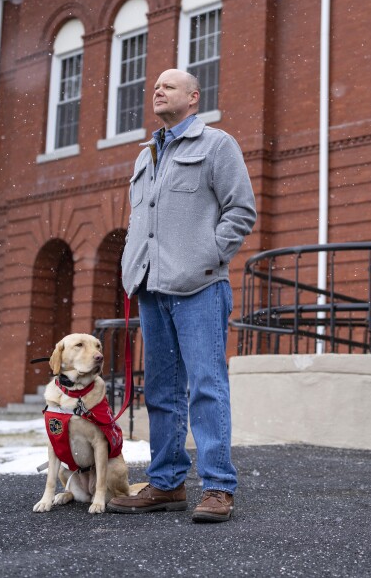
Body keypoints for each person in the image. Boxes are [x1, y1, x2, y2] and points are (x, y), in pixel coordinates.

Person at [108, 69, 256, 523]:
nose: (157, 90)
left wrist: (208, 256)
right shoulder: (145, 156)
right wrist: (133, 267)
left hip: (200, 288)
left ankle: (217, 488)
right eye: (155, 86)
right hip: (152, 289)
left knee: (207, 386)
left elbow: (241, 210)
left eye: (169, 86)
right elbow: (142, 221)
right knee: (160, 390)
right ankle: (167, 483)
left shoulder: (217, 145)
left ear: (194, 98)